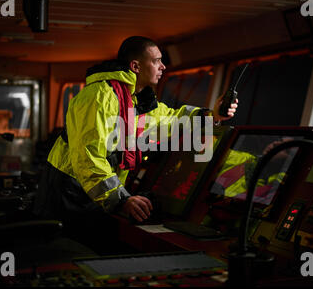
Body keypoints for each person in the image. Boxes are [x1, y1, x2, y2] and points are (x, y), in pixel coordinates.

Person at [33, 36, 237, 246]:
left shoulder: (134, 101)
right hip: (69, 194)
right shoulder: (99, 97)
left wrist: (212, 116)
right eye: (156, 61)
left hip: (92, 193)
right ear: (136, 66)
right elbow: (88, 157)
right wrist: (121, 200)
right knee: (72, 258)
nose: (163, 66)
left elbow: (170, 119)